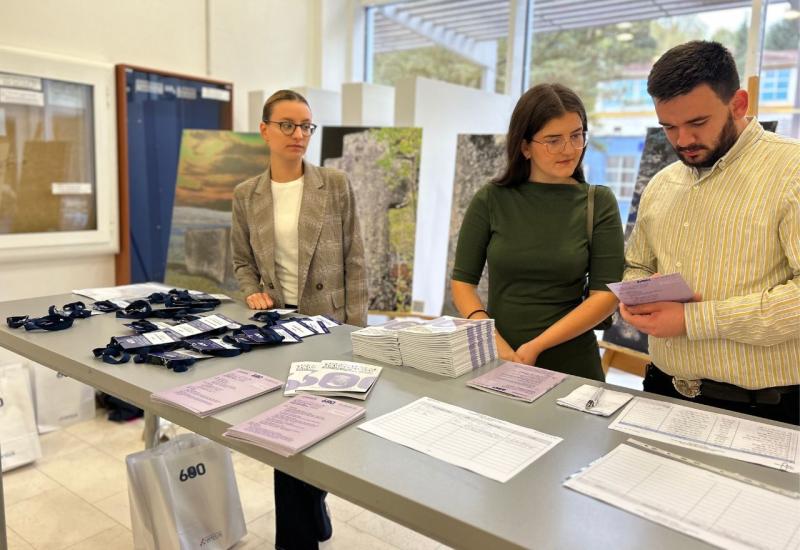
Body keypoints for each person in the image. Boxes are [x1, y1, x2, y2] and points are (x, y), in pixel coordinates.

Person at [620, 41, 800, 425]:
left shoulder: (792, 172)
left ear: (738, 103)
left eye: (697, 123)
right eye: (669, 126)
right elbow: (636, 264)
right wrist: (636, 297)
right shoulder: (662, 183)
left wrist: (692, 320)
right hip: (661, 391)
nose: (682, 141)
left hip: (763, 410)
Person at [231, 89, 368, 549]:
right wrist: (252, 289)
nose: (298, 135)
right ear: (265, 129)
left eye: (306, 125)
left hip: (328, 327)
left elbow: (355, 260)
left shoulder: (335, 184)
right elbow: (241, 259)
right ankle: (297, 537)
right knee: (284, 434)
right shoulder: (246, 195)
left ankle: (312, 507)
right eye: (287, 124)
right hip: (277, 329)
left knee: (322, 429)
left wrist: (356, 333)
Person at [451, 83, 624, 381]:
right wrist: (493, 339)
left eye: (576, 135)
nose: (569, 150)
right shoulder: (491, 199)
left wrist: (536, 346)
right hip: (497, 356)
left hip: (572, 364)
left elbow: (605, 296)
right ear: (525, 146)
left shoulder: (598, 202)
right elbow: (462, 283)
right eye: (553, 140)